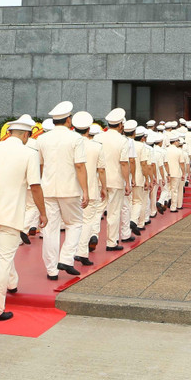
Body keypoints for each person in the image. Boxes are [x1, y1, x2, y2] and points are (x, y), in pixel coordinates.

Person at [0, 115, 47, 322]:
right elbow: (36, 186)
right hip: (10, 212)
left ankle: (12, 282)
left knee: (3, 248)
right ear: (24, 134)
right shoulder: (29, 153)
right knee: (3, 259)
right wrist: (42, 212)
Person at [36, 101, 89, 280]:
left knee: (50, 228)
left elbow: (41, 166)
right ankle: (66, 258)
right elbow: (80, 166)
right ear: (68, 120)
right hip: (70, 189)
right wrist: (86, 191)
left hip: (48, 188)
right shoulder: (76, 138)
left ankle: (52, 270)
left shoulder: (42, 139)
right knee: (75, 223)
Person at [95, 108, 131, 251]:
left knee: (97, 210)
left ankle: (92, 235)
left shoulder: (98, 137)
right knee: (114, 212)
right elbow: (124, 163)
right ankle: (111, 242)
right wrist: (127, 182)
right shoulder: (123, 141)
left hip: (99, 180)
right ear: (121, 124)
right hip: (116, 180)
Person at [72, 112, 105, 266]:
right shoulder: (96, 147)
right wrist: (103, 187)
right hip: (90, 189)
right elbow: (101, 170)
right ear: (88, 129)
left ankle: (68, 253)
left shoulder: (69, 144)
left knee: (70, 223)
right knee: (87, 221)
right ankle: (81, 253)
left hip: (71, 190)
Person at [165, 137, 186, 213]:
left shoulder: (165, 150)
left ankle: (166, 202)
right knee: (174, 190)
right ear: (175, 142)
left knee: (167, 189)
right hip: (176, 172)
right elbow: (182, 164)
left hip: (167, 173)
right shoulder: (179, 151)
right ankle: (173, 207)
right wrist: (184, 173)